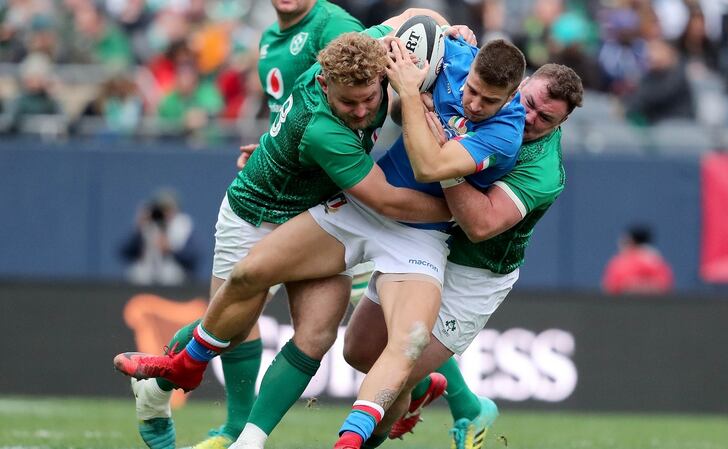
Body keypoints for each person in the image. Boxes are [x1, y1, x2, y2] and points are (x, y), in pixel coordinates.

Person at [114, 25, 526, 449]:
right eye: (472, 91)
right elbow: (388, 199)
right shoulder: (322, 127)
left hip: (404, 228)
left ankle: (271, 439)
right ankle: (185, 373)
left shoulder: (499, 125)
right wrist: (462, 209)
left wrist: (445, 35)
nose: (365, 111)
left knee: (372, 342)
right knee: (246, 287)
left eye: (371, 98)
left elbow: (429, 164)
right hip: (291, 207)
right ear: (325, 83)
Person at [127, 2, 367, 449]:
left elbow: (363, 64)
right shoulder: (268, 40)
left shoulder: (333, 25)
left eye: (369, 98)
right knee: (232, 321)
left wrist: (437, 22)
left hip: (319, 207)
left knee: (317, 331)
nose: (363, 106)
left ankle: (242, 437)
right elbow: (297, 116)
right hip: (262, 202)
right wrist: (273, 145)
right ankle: (165, 394)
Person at [342, 62, 583, 449]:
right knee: (358, 352)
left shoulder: (543, 171)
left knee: (392, 380)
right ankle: (458, 401)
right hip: (429, 241)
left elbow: (481, 225)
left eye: (545, 117)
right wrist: (445, 31)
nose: (531, 117)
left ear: (560, 124)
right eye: (530, 102)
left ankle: (442, 402)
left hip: (475, 272)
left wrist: (444, 162)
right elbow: (432, 59)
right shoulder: (489, 95)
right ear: (519, 85)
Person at [120, 189, 200, 285]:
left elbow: (193, 257)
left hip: (175, 279)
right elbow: (126, 252)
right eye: (161, 209)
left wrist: (170, 249)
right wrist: (138, 230)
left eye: (168, 209)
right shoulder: (148, 225)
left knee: (171, 275)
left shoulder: (183, 225)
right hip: (147, 276)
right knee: (136, 274)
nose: (164, 213)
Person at [602, 225, 674, 295]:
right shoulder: (620, 260)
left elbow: (664, 286)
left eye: (625, 240)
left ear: (631, 241)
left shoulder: (653, 261)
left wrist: (638, 286)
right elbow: (610, 286)